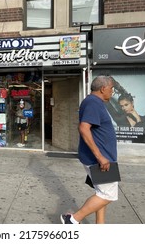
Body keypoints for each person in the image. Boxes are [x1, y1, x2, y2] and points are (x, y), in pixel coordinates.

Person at [61, 75, 118, 224]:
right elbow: (84, 128)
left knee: (101, 193)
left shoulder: (95, 102)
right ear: (103, 88)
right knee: (108, 195)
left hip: (102, 157)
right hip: (99, 159)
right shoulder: (93, 103)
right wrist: (100, 157)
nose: (112, 91)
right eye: (112, 88)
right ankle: (73, 220)